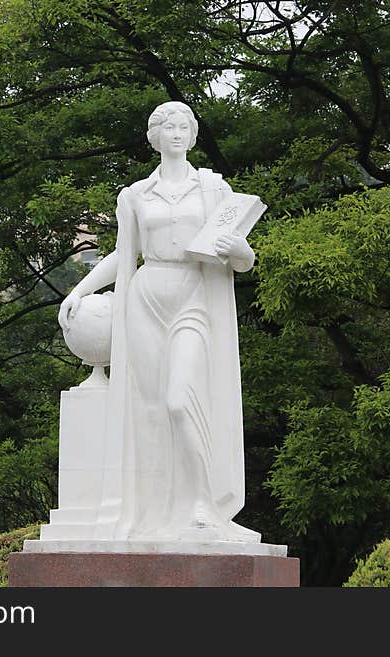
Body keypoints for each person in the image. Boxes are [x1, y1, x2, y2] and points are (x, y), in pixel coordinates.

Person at [58, 101, 259, 543]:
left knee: (179, 401)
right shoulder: (134, 195)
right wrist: (79, 291)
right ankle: (155, 511)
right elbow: (122, 253)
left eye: (184, 126)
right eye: (167, 126)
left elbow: (243, 259)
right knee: (148, 411)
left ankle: (205, 504)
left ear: (192, 135)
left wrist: (237, 251)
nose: (176, 132)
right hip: (146, 297)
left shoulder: (213, 189)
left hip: (194, 297)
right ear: (154, 136)